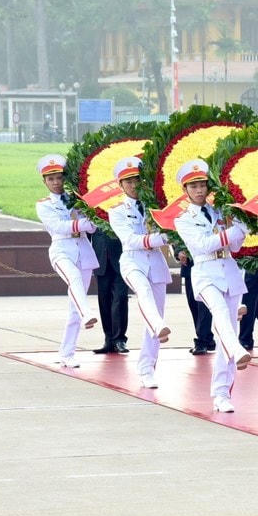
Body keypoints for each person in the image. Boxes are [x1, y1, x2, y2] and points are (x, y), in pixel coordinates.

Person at [173, 159, 252, 412]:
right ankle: (237, 349)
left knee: (225, 332)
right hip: (205, 273)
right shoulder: (183, 219)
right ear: (185, 190)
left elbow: (236, 247)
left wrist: (241, 225)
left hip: (228, 271)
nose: (199, 190)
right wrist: (233, 232)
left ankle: (221, 394)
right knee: (219, 315)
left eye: (202, 185)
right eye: (193, 186)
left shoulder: (222, 211)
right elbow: (201, 246)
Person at [107, 156, 172, 388]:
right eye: (129, 181)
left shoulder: (157, 205)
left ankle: (147, 368)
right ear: (121, 185)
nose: (134, 185)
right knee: (143, 294)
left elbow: (171, 228)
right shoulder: (116, 211)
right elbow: (130, 240)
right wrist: (161, 238)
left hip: (155, 262)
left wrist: (174, 243)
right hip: (132, 261)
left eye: (137, 180)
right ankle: (157, 325)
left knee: (155, 313)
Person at [35, 154, 99, 368]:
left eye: (59, 178)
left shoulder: (78, 199)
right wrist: (79, 223)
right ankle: (87, 313)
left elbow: (94, 224)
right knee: (73, 279)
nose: (56, 182)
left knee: (74, 306)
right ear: (44, 181)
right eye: (51, 179)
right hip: (61, 249)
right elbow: (58, 227)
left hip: (83, 249)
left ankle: (67, 353)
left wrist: (81, 221)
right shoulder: (43, 205)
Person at [90, 225, 129, 354]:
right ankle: (109, 339)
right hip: (100, 258)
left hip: (120, 258)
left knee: (120, 298)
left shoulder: (119, 206)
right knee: (104, 301)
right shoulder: (91, 207)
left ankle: (119, 339)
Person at [175, 247, 216, 355]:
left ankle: (202, 342)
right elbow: (175, 236)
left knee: (203, 306)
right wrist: (178, 252)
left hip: (207, 268)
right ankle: (207, 339)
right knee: (193, 305)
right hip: (189, 267)